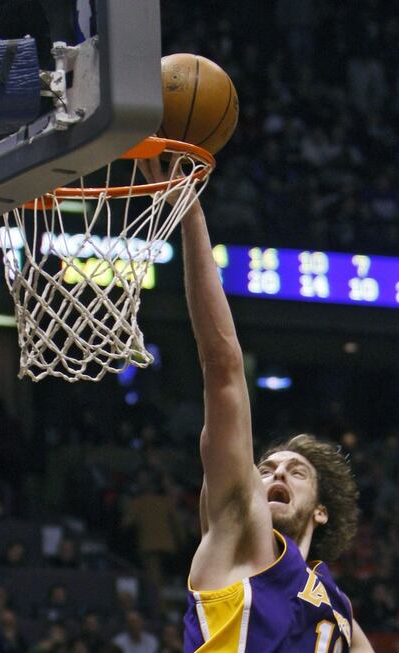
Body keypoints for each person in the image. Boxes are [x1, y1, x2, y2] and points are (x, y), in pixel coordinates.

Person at [140, 157, 375, 652]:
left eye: (296, 472)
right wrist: (190, 212)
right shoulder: (237, 528)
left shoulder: (339, 611)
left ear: (322, 513)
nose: (276, 475)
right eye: (266, 467)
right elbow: (224, 370)